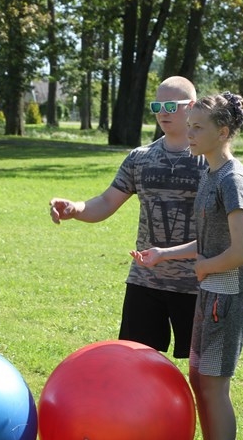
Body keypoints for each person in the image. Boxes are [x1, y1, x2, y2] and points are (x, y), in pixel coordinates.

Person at [132, 93, 243, 440]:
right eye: (191, 126)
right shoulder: (210, 171)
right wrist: (165, 254)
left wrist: (205, 267)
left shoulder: (233, 180)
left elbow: (242, 251)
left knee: (215, 386)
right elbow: (206, 240)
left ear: (223, 133)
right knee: (200, 378)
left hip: (230, 294)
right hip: (211, 289)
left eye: (198, 127)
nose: (190, 132)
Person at [49, 77, 204, 359]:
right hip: (145, 280)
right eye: (157, 106)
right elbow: (107, 201)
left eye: (171, 105)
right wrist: (76, 209)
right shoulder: (140, 158)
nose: (162, 113)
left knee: (201, 373)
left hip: (197, 283)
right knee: (136, 362)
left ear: (191, 107)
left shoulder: (208, 160)